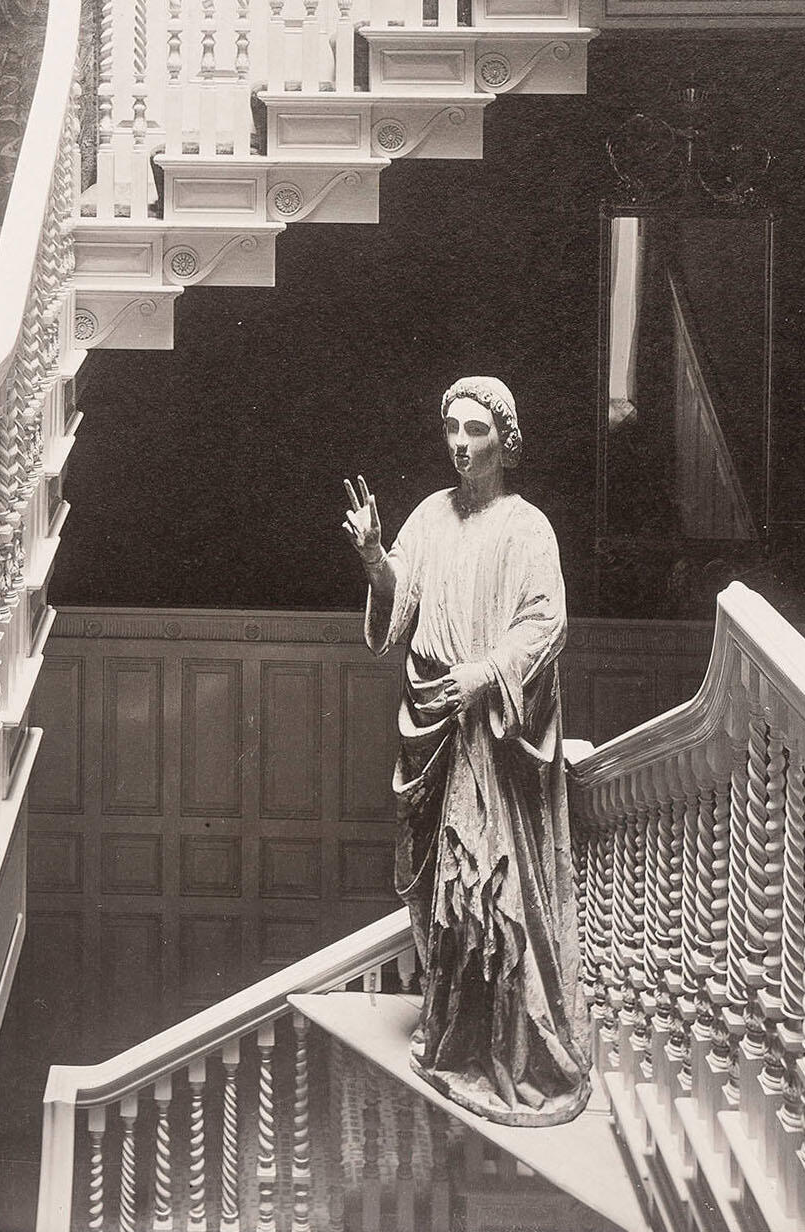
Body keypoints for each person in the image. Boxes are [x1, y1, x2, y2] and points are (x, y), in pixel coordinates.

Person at [343, 376, 591, 1125]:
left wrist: (486, 675)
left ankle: (507, 1045)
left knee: (489, 892)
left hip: (492, 734)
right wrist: (375, 557)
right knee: (443, 896)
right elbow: (400, 605)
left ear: (504, 442)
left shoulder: (528, 528)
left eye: (475, 430)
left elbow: (546, 621)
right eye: (451, 428)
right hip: (434, 726)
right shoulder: (429, 515)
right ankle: (454, 1031)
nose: (459, 442)